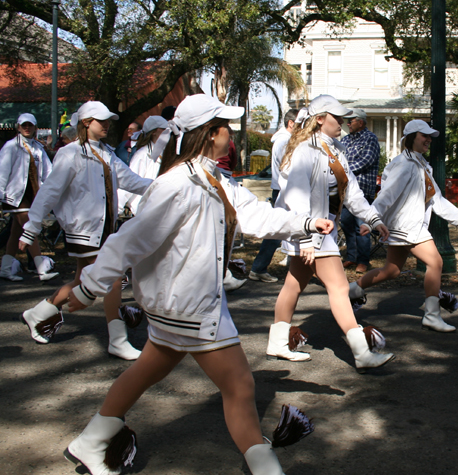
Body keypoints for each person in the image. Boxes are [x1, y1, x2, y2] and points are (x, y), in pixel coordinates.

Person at [61, 93, 328, 475]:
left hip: (182, 305)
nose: (230, 134)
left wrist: (304, 223)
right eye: (225, 128)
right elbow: (129, 240)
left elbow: (254, 215)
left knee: (146, 371)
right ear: (209, 133)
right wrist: (89, 288)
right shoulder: (178, 184)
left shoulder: (210, 177)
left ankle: (91, 441)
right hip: (191, 308)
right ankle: (267, 469)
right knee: (240, 386)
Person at [268, 94, 393, 372]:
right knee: (339, 287)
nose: (343, 123)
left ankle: (277, 342)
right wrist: (306, 235)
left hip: (319, 232)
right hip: (311, 233)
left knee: (294, 284)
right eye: (337, 118)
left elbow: (352, 193)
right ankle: (361, 352)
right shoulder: (305, 150)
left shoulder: (334, 150)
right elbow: (296, 195)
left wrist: (373, 218)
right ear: (320, 119)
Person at [19, 101, 152, 360]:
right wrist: (31, 226)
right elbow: (49, 191)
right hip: (83, 228)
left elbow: (131, 181)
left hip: (102, 229)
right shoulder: (70, 153)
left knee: (83, 281)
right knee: (112, 277)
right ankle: (118, 340)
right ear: (86, 123)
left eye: (108, 120)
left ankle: (38, 314)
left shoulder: (106, 152)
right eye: (101, 120)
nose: (107, 125)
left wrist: (165, 185)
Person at [349, 120, 458, 332]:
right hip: (406, 227)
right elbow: (387, 195)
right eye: (424, 135)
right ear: (411, 137)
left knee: (392, 271)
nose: (428, 140)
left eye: (430, 136)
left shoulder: (420, 164)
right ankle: (431, 316)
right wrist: (371, 220)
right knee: (436, 262)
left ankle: (351, 291)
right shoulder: (405, 165)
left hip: (406, 226)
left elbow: (435, 198)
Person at [0, 113, 59, 281]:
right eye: (24, 125)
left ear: (35, 128)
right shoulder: (11, 147)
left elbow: (48, 172)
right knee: (29, 228)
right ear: (18, 127)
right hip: (15, 196)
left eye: (30, 125)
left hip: (32, 196)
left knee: (16, 232)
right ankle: (41, 269)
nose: (27, 128)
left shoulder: (38, 148)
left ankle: (5, 269)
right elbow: (2, 172)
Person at [249, 108, 298, 283]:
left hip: (285, 189)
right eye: (300, 123)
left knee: (289, 227)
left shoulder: (285, 140)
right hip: (284, 190)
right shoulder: (284, 141)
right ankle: (258, 268)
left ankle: (292, 262)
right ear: (291, 123)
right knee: (277, 229)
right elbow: (290, 168)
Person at [340, 108, 381, 273]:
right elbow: (338, 159)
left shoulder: (370, 138)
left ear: (361, 122)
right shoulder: (344, 140)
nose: (348, 124)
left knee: (361, 226)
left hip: (363, 190)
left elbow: (366, 161)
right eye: (347, 121)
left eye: (350, 121)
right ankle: (352, 256)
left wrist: (342, 171)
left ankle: (363, 260)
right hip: (345, 190)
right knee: (346, 223)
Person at [117, 115, 169, 216]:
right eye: (164, 129)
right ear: (154, 132)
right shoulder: (143, 154)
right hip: (143, 212)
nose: (168, 133)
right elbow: (130, 181)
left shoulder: (165, 153)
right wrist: (117, 209)